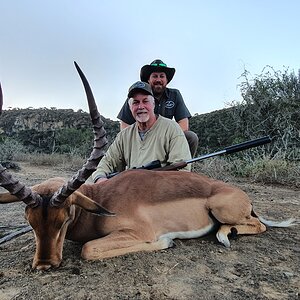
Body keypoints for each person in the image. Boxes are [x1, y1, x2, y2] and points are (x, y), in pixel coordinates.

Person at [92, 81, 191, 183]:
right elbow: (105, 164)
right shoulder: (123, 136)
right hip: (130, 189)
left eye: (145, 101)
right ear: (130, 108)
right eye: (135, 102)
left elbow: (182, 171)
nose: (140, 106)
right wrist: (100, 179)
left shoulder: (172, 128)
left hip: (162, 190)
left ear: (153, 104)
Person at [117, 59, 199, 157]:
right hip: (142, 140)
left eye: (162, 76)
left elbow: (183, 124)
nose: (158, 80)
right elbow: (124, 125)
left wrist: (165, 139)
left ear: (166, 80)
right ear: (148, 79)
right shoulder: (136, 95)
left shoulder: (175, 95)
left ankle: (183, 171)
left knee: (191, 137)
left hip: (167, 138)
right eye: (155, 76)